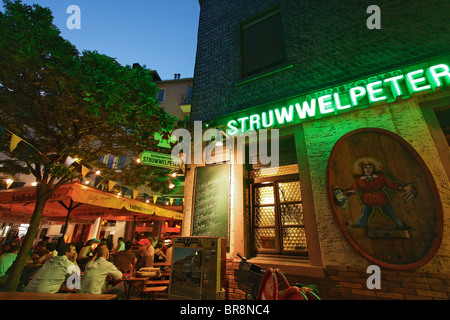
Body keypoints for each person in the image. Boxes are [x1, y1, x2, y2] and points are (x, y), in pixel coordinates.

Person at [345, 157, 411, 230]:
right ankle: (360, 224)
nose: (368, 169)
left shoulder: (380, 177)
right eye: (365, 167)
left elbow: (390, 184)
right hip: (367, 198)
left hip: (380, 198)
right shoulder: (358, 180)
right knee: (365, 214)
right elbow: (354, 188)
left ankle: (400, 225)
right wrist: (345, 191)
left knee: (391, 213)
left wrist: (401, 187)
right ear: (362, 169)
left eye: (370, 167)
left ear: (374, 168)